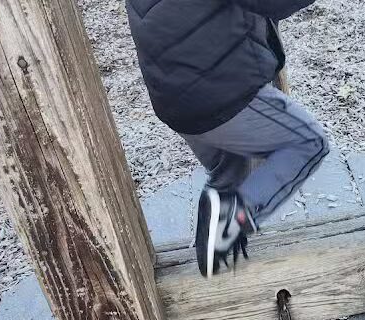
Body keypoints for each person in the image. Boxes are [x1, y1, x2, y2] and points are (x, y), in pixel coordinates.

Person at [126, 0, 328, 278]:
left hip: (175, 97)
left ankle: (213, 263)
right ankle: (231, 218)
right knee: (308, 143)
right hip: (223, 94)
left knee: (231, 169)